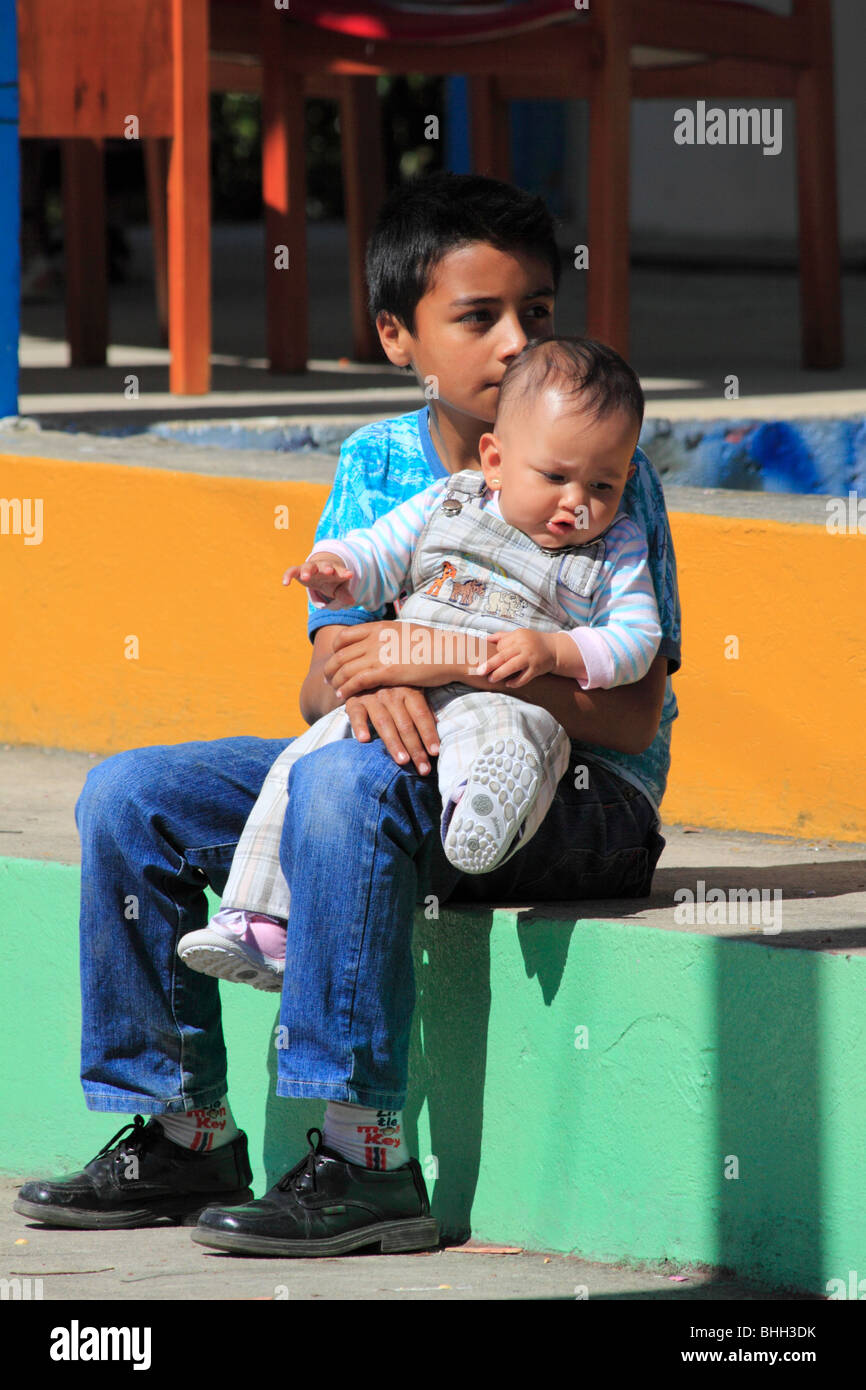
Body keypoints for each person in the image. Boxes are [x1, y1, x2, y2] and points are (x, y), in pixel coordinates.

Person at [14, 172, 680, 1258]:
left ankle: (367, 1157)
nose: (515, 342)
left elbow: (630, 710)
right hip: (390, 765)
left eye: (537, 314)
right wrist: (378, 678)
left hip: (570, 799)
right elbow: (325, 684)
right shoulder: (378, 465)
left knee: (344, 781)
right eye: (478, 317)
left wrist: (454, 662)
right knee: (129, 796)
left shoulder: (603, 470)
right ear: (396, 336)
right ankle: (183, 1128)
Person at [177, 336, 662, 994]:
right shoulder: (448, 502)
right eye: (554, 478)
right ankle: (260, 922)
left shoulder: (617, 546)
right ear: (496, 461)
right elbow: (381, 553)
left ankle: (481, 814)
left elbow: (636, 640)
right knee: (303, 765)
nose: (575, 502)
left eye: (601, 485)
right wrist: (337, 570)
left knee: (515, 738)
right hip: (411, 702)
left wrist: (557, 651)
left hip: (506, 697)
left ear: (626, 478)